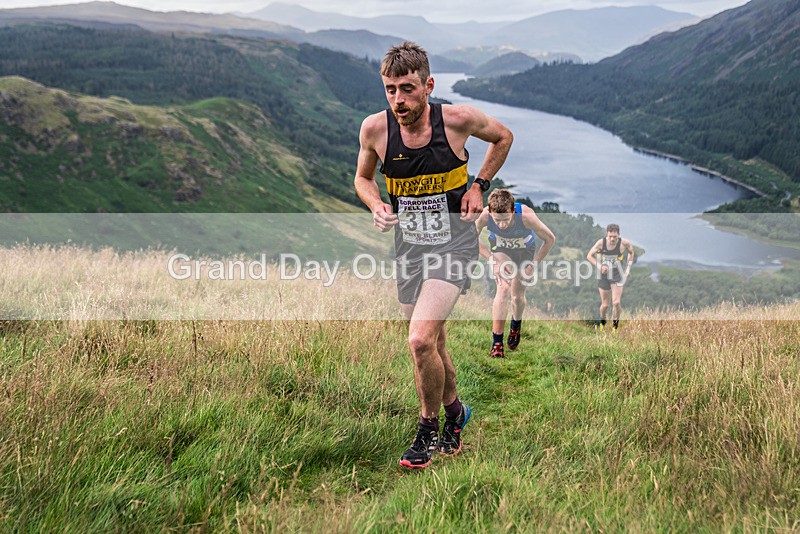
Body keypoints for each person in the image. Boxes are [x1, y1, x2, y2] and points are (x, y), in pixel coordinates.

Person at [354, 41, 513, 469]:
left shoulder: (457, 121)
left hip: (454, 245)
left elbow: (503, 137)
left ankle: (427, 429)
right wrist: (376, 204)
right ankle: (456, 413)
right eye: (390, 90)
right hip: (409, 249)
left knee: (419, 339)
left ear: (428, 85)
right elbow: (363, 179)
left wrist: (479, 185)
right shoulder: (375, 130)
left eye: (407, 89)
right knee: (434, 343)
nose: (398, 100)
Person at [475, 189, 555, 358]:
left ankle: (516, 325)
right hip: (501, 250)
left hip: (524, 253)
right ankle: (497, 343)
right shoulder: (485, 216)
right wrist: (490, 259)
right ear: (490, 212)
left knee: (517, 297)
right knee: (503, 288)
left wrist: (534, 264)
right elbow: (471, 236)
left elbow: (550, 239)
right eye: (497, 220)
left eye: (505, 220)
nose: (502, 225)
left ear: (512, 211)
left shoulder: (526, 216)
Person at [586, 223, 635, 331]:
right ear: (606, 234)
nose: (612, 239)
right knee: (605, 305)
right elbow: (589, 256)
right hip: (603, 275)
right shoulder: (601, 243)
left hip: (617, 274)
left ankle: (615, 326)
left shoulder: (624, 243)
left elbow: (631, 253)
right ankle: (602, 321)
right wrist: (600, 266)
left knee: (616, 303)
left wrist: (628, 269)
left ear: (619, 235)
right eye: (610, 236)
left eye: (615, 237)